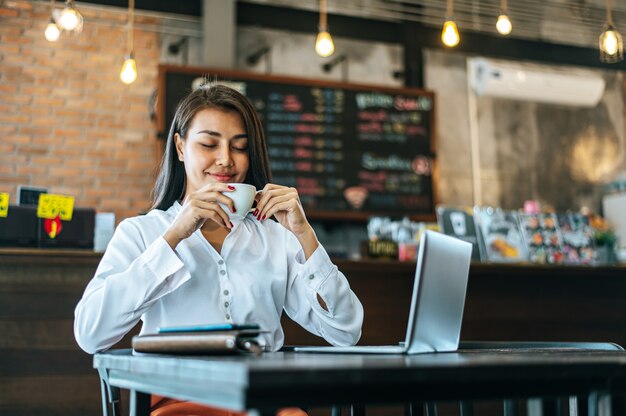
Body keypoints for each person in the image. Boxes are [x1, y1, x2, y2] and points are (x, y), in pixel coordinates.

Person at [74, 83, 364, 415]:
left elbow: (347, 330)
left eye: (239, 148)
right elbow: (89, 333)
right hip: (178, 401)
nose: (225, 160)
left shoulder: (276, 237)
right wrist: (174, 237)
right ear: (181, 147)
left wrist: (304, 234)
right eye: (209, 144)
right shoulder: (141, 233)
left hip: (263, 400)